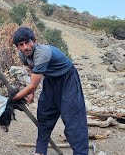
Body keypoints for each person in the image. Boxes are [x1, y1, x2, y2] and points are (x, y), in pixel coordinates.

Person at [11, 27, 89, 155]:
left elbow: (33, 85)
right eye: (21, 44)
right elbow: (32, 70)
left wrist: (11, 100)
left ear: (34, 41)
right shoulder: (23, 55)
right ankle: (40, 152)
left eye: (27, 42)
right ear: (18, 47)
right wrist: (30, 94)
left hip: (68, 79)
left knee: (73, 120)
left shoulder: (42, 53)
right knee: (44, 114)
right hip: (51, 80)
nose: (25, 47)